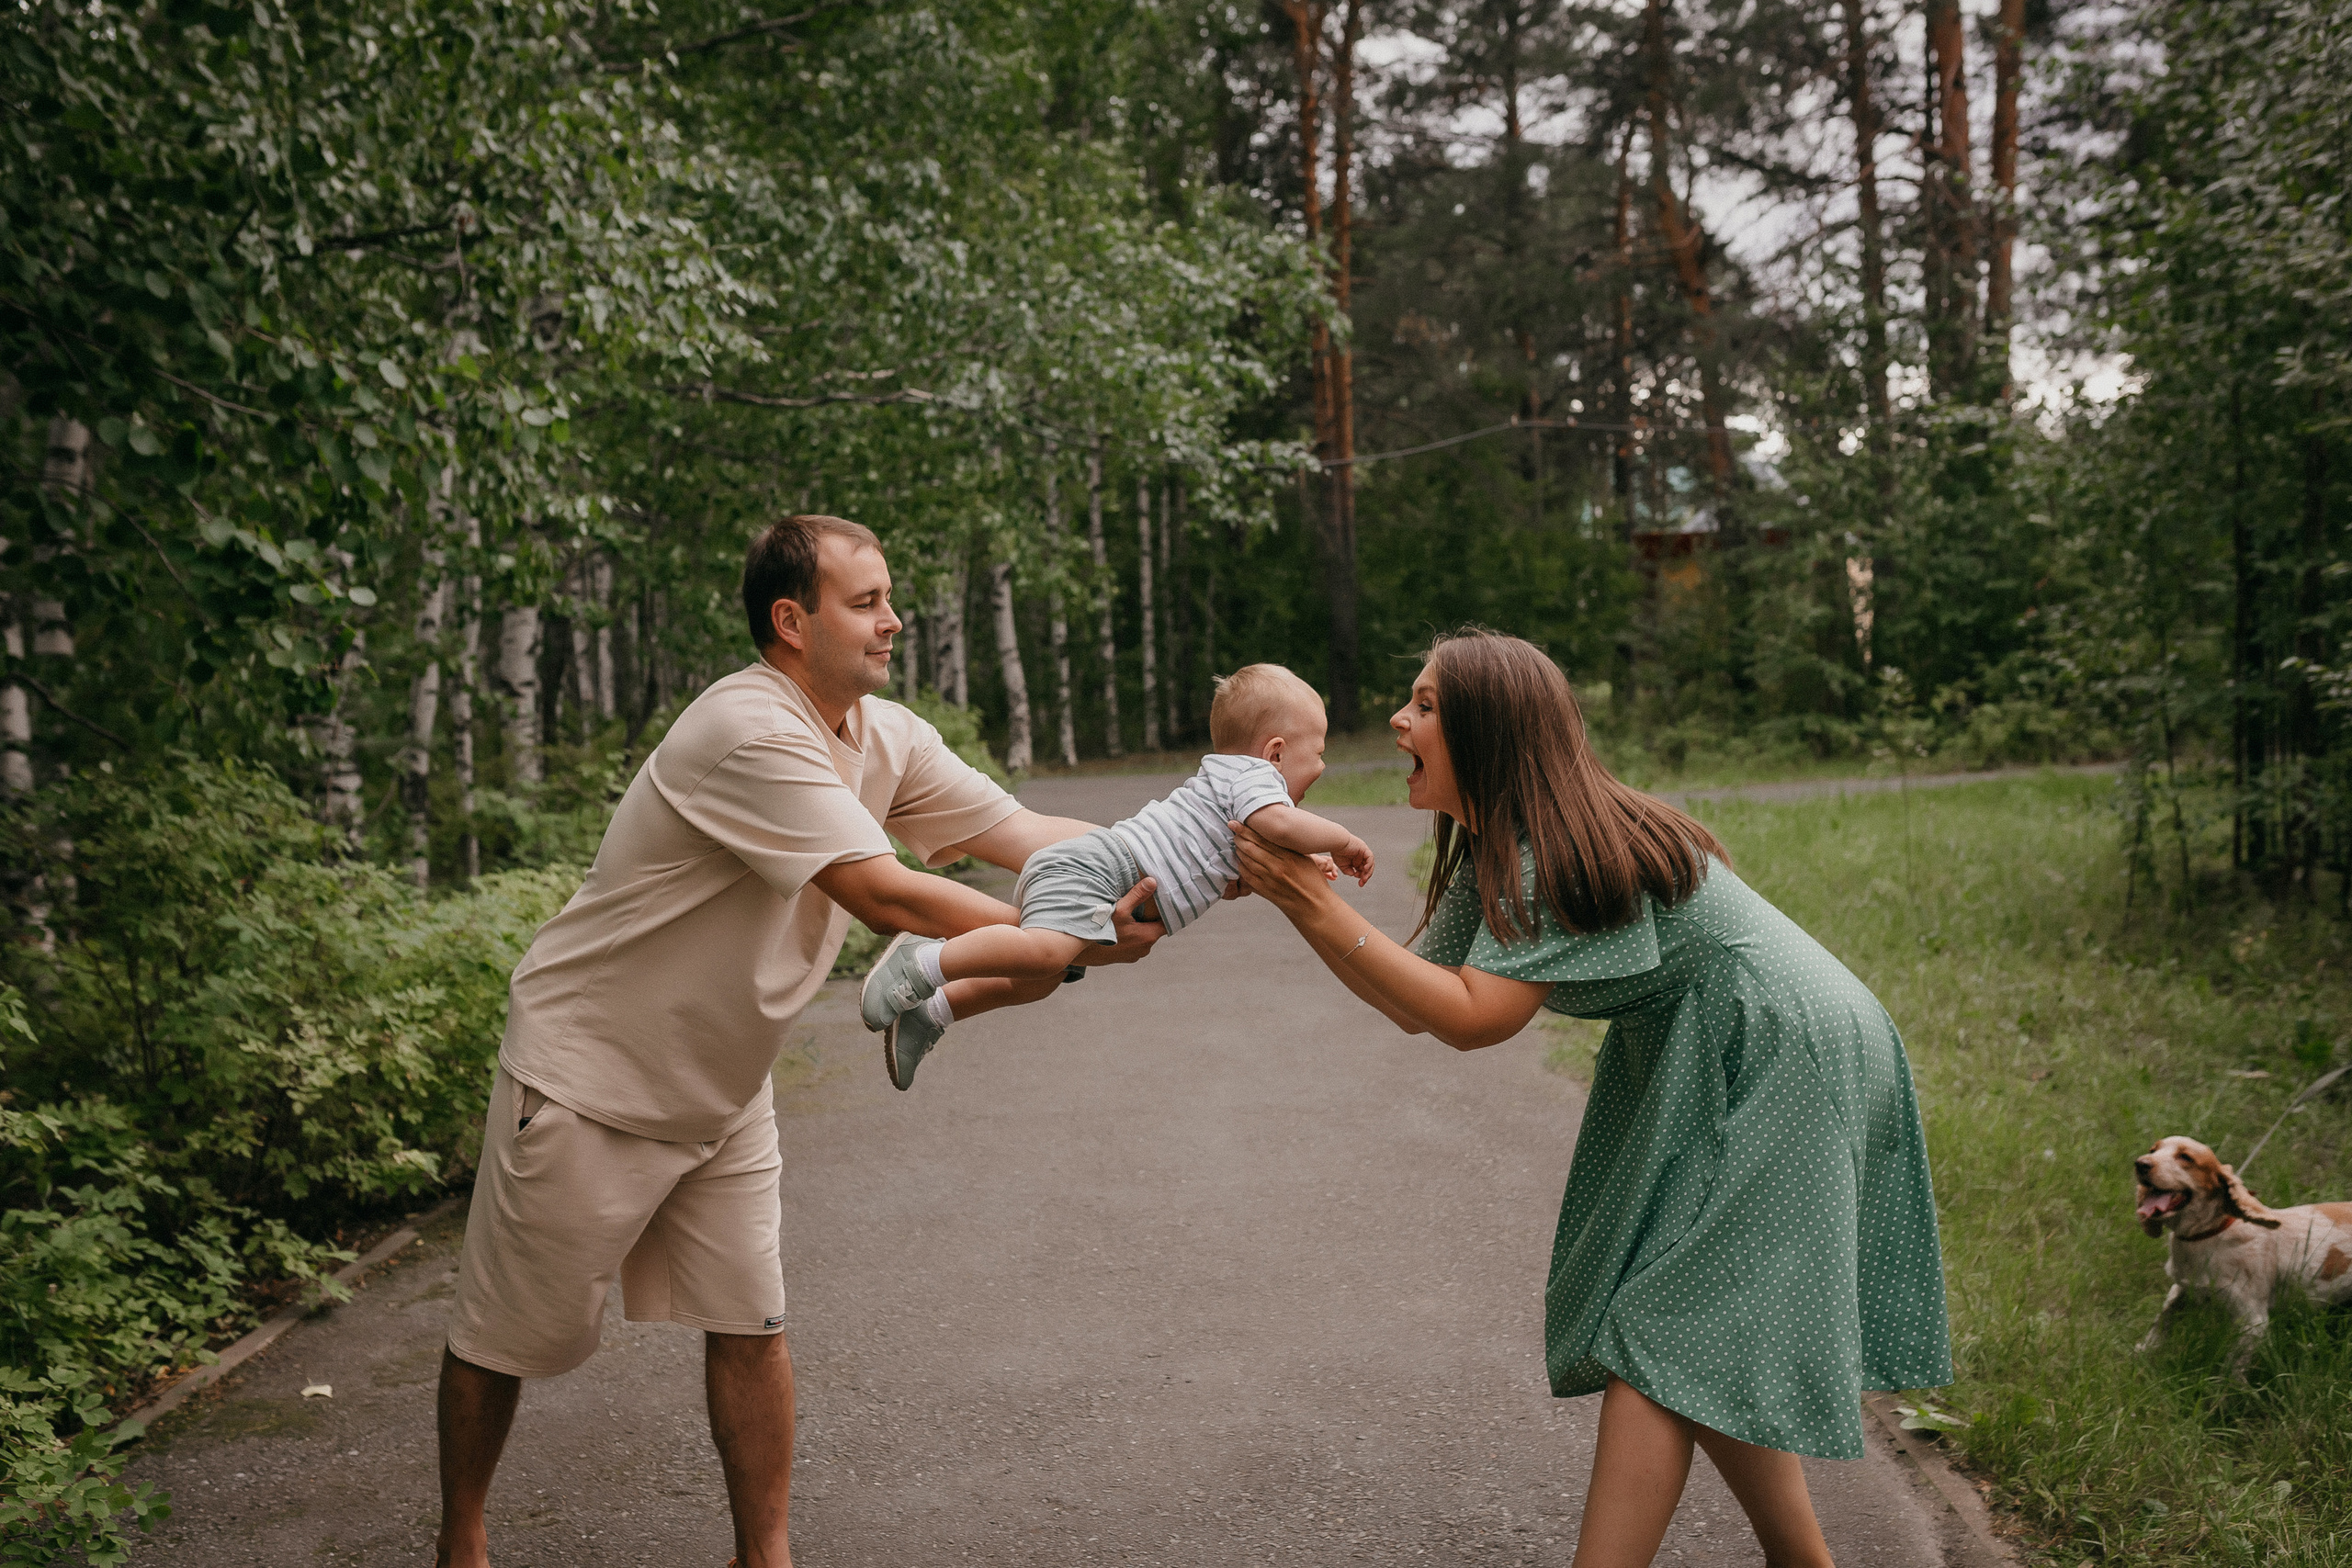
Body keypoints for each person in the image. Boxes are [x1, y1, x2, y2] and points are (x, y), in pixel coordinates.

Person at [433, 514, 1165, 1568]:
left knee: (752, 1321)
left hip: (723, 1082)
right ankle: (461, 1544)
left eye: (887, 599)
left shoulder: (885, 734)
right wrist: (1059, 942)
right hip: (590, 1071)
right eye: (866, 602)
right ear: (791, 620)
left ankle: (763, 1558)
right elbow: (878, 893)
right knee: (503, 1335)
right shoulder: (747, 728)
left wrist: (1190, 853)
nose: (892, 621)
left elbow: (1021, 837)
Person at [1228, 629, 1950, 1568]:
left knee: (1659, 1336)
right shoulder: (1500, 843)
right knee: (1693, 1326)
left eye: (1425, 704)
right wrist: (1301, 902)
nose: (1399, 721)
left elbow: (1475, 1018)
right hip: (1736, 1045)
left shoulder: (1545, 853)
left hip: (1785, 1054)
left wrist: (1316, 906)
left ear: (1493, 731)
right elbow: (1422, 998)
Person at [858, 662, 1374, 1088]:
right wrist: (1341, 839)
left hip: (1104, 872)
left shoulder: (1235, 786)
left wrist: (1309, 861)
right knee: (1042, 952)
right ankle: (922, 964)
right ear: (1276, 752)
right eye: (1321, 752)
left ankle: (933, 1013)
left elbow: (1264, 850)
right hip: (1105, 869)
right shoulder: (1256, 780)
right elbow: (1279, 822)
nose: (1323, 767)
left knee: (1041, 976)